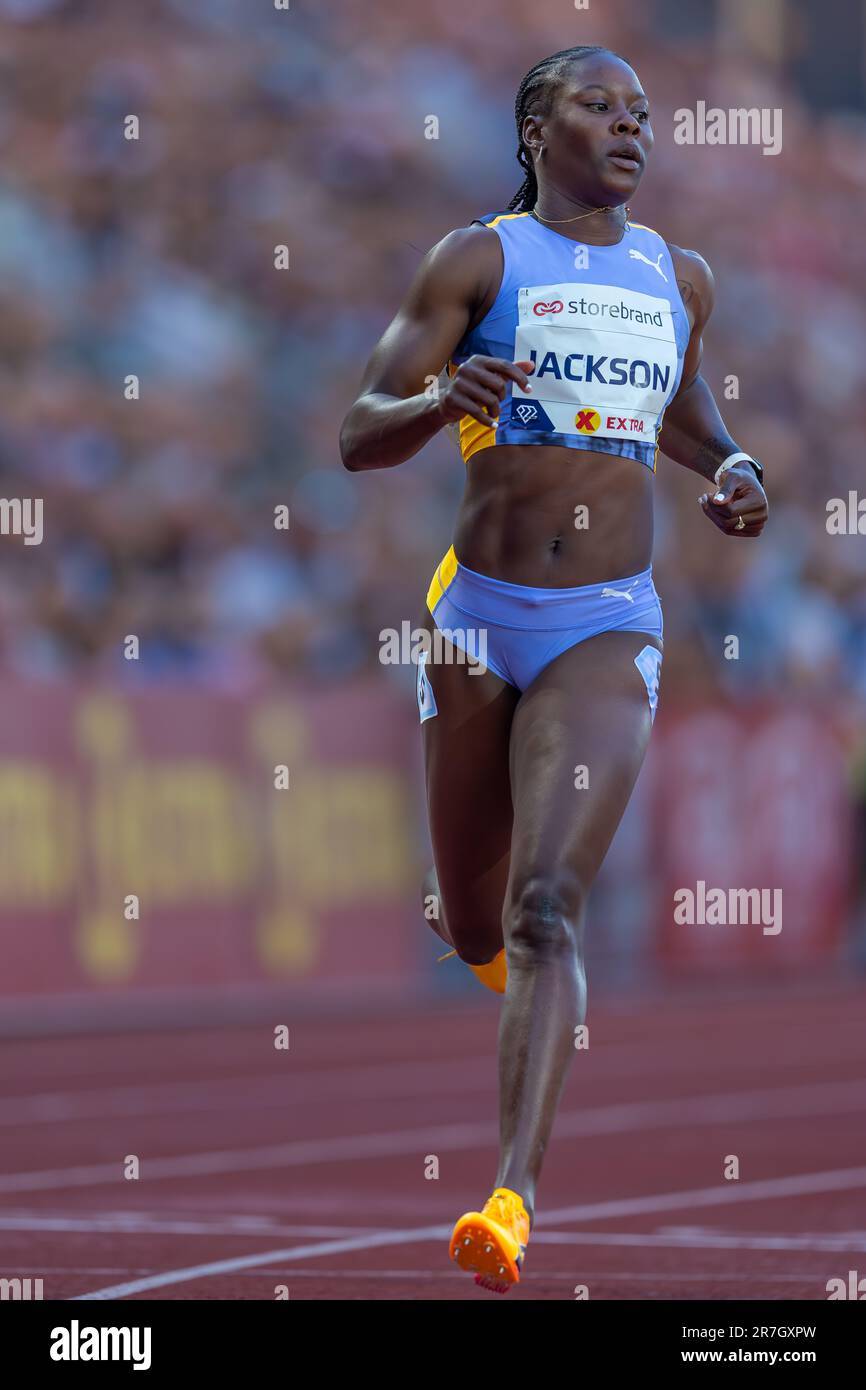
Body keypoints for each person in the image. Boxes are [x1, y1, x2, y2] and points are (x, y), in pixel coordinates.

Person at [339, 44, 768, 1293]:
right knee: (474, 918)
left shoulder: (676, 275)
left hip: (604, 623)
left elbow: (686, 414)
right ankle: (467, 915)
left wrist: (731, 469)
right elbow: (359, 427)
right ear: (536, 127)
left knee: (540, 909)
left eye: (641, 113)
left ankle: (510, 1199)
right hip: (475, 618)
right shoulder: (474, 259)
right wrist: (432, 406)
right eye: (598, 106)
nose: (630, 128)